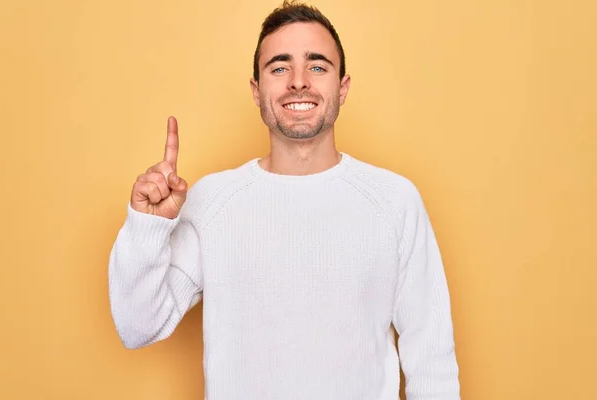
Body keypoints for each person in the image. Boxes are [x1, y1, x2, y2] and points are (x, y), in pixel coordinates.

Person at [108, 1, 461, 399]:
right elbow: (138, 326)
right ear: (256, 91)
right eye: (279, 67)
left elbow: (432, 360)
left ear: (342, 87)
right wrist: (148, 227)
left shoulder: (395, 201)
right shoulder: (212, 202)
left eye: (317, 66)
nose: (298, 81)